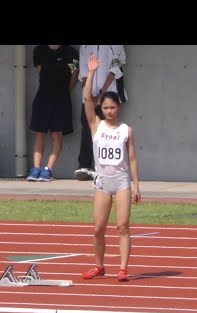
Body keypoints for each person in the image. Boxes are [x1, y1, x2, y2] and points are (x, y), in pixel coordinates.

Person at [81, 54, 140, 282]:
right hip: (103, 183)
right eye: (105, 107)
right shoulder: (96, 125)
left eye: (112, 107)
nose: (108, 111)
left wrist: (137, 185)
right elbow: (87, 99)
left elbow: (132, 158)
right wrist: (92, 72)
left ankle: (123, 268)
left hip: (122, 181)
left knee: (123, 226)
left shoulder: (127, 130)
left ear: (119, 107)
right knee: (98, 228)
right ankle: (99, 266)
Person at [74, 45, 128, 181]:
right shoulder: (85, 46)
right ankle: (85, 166)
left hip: (109, 95)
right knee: (87, 128)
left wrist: (101, 95)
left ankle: (109, 166)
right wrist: (90, 94)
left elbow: (116, 69)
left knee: (109, 130)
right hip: (88, 95)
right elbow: (84, 72)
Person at [26, 45, 79, 181]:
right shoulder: (39, 50)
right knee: (40, 133)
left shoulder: (71, 52)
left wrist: (65, 92)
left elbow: (75, 73)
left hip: (62, 99)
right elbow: (41, 72)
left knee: (57, 134)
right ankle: (36, 169)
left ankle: (48, 170)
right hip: (43, 97)